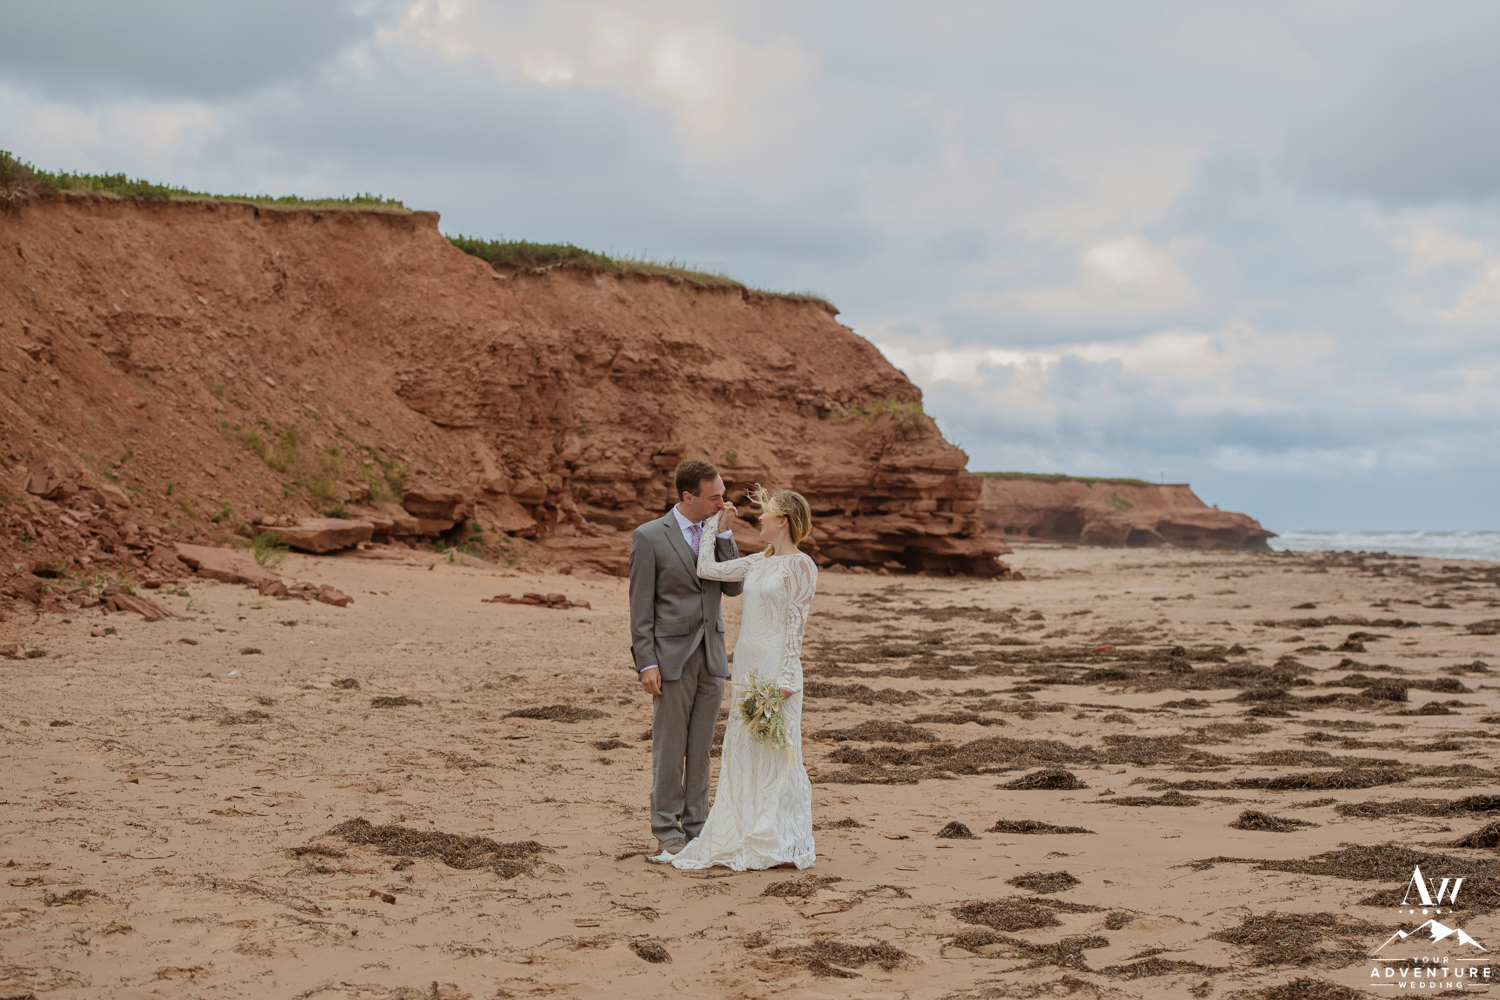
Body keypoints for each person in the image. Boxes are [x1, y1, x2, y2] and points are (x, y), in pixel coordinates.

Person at [658, 485, 818, 871]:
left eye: (765, 513)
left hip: (777, 668)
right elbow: (706, 569)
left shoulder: (801, 565)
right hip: (747, 666)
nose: (759, 518)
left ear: (783, 521)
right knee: (744, 749)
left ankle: (776, 837)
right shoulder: (756, 563)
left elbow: (796, 626)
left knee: (777, 752)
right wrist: (716, 526)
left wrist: (785, 678)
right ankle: (742, 828)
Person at [629, 458, 743, 858]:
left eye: (723, 495)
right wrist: (647, 662)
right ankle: (666, 829)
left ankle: (698, 825)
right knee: (669, 747)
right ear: (687, 496)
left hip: (712, 654)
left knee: (700, 748)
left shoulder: (716, 530)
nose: (722, 503)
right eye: (714, 498)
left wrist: (725, 536)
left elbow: (733, 588)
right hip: (670, 657)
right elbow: (640, 608)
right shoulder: (648, 537)